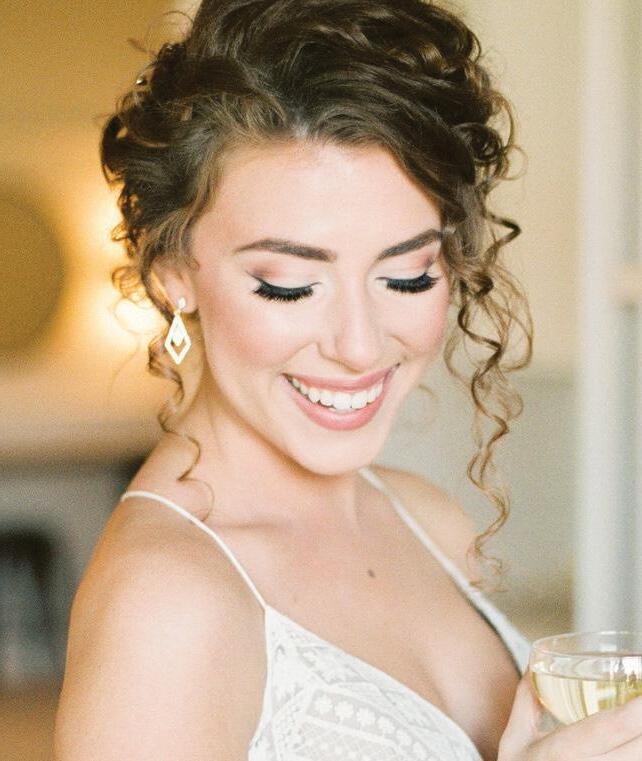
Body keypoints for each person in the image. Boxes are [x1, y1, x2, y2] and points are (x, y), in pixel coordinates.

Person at [53, 1, 642, 760]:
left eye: (407, 275)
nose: (360, 346)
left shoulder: (427, 520)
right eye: (290, 286)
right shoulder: (166, 603)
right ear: (174, 274)